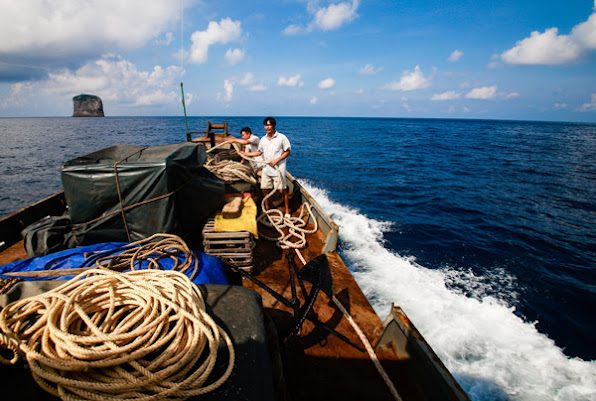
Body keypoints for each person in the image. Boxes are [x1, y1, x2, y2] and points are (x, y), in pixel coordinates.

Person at [240, 117, 291, 215]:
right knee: (264, 189)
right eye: (266, 125)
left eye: (269, 125)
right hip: (266, 169)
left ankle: (287, 211)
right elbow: (259, 152)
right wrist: (245, 154)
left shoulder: (282, 138)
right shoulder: (263, 139)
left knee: (282, 191)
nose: (268, 127)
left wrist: (276, 160)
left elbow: (287, 151)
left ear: (274, 126)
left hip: (278, 169)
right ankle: (267, 209)